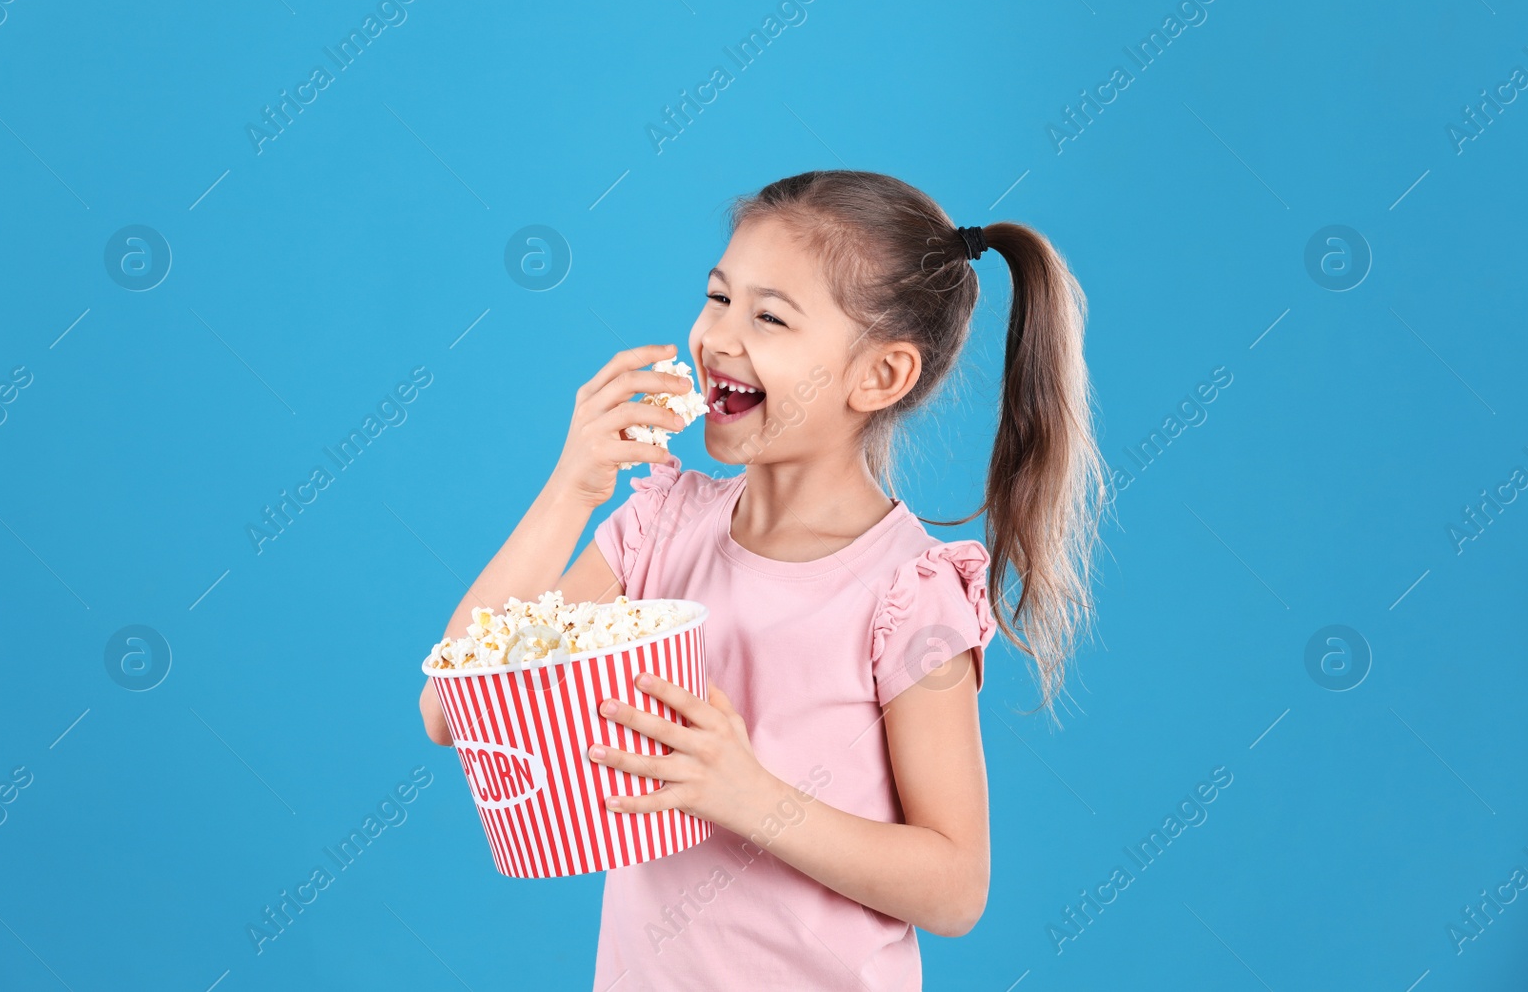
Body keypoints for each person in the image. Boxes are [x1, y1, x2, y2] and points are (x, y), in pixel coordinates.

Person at [419, 169, 1107, 990]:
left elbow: (955, 888)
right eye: (717, 297)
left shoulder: (905, 591)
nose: (718, 336)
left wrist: (750, 796)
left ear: (879, 376)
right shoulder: (658, 527)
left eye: (770, 316)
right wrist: (571, 488)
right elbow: (448, 706)